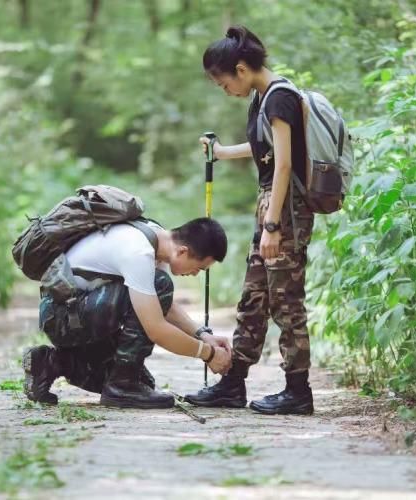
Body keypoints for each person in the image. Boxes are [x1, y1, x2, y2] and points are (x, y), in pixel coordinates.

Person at [184, 26, 315, 415]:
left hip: (285, 209)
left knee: (286, 301)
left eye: (224, 83)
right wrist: (222, 153)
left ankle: (298, 391)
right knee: (254, 297)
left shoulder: (280, 99)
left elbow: (286, 162)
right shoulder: (263, 98)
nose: (225, 90)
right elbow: (267, 150)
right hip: (271, 207)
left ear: (241, 69)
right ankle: (233, 383)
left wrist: (273, 225)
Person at [23, 216, 232, 409]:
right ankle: (122, 386)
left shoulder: (156, 237)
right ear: (183, 251)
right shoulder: (139, 252)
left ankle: (50, 363)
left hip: (76, 311)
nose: (195, 274)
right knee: (160, 285)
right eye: (199, 268)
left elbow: (160, 305)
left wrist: (203, 335)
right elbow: (156, 329)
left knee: (144, 383)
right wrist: (208, 354)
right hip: (62, 318)